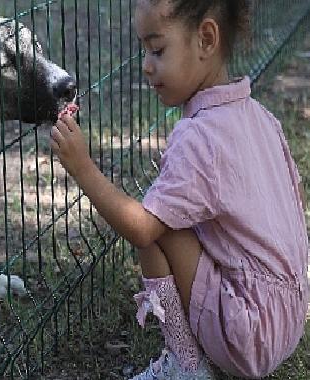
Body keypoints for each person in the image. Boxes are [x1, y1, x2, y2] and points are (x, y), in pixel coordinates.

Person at [50, 0, 308, 378]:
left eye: (157, 50)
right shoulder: (262, 118)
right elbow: (296, 202)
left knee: (154, 225)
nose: (146, 65)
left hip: (247, 335)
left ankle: (186, 364)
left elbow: (141, 229)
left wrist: (82, 167)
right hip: (289, 317)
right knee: (171, 215)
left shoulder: (198, 136)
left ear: (205, 38)